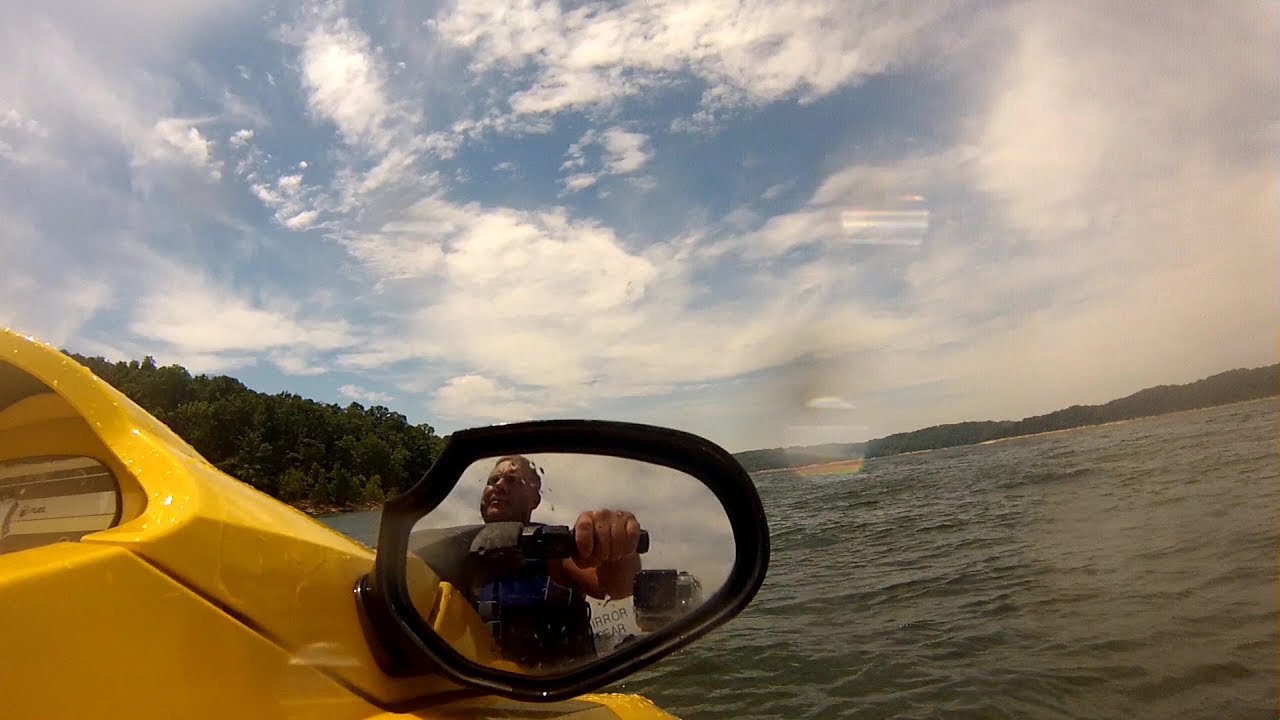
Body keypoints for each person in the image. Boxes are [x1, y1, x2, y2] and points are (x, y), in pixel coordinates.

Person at [469, 455, 644, 670]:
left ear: (534, 500)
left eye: (512, 480)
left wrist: (617, 541)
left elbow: (616, 586)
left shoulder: (553, 548)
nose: (499, 486)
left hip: (563, 686)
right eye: (492, 481)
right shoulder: (457, 551)